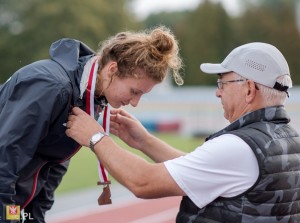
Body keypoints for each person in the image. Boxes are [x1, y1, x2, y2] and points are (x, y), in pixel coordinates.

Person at [66, 42, 300, 223]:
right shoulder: (288, 139)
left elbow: (143, 182)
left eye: (223, 83)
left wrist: (95, 137)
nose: (218, 93)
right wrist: (144, 141)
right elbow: (202, 170)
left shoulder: (239, 147)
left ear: (249, 89)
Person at [0, 26, 183, 222]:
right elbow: (5, 160)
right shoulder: (52, 87)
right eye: (134, 91)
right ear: (112, 69)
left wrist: (33, 217)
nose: (135, 103)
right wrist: (10, 218)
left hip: (18, 204)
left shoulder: (89, 98)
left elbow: (55, 163)